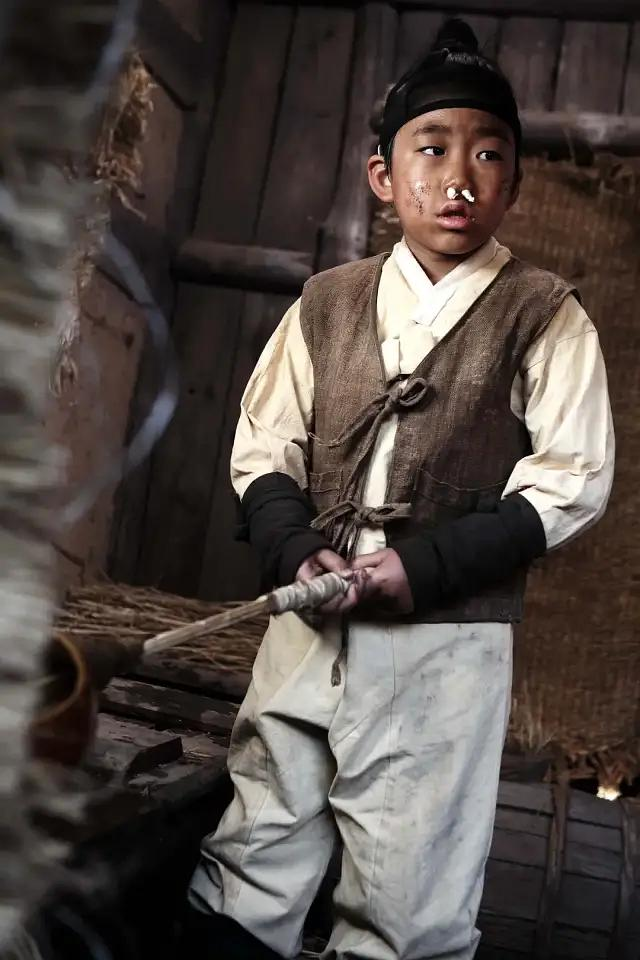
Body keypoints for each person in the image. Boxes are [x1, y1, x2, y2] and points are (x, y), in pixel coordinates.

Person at [187, 18, 614, 960]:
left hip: (443, 650)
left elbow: (573, 480)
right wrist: (297, 546)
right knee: (253, 858)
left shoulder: (543, 314)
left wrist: (422, 567)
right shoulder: (327, 302)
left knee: (407, 900)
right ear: (383, 175)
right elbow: (265, 445)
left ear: (514, 182)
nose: (459, 178)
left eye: (488, 155)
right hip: (308, 625)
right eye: (432, 149)